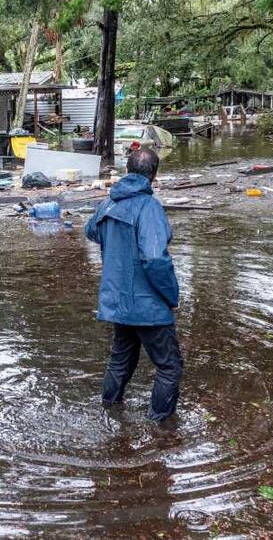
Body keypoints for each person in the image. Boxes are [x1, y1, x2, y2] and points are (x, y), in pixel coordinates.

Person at [84, 148, 183, 421]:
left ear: (127, 170)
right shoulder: (149, 207)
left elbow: (91, 231)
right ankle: (160, 427)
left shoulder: (109, 203)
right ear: (154, 174)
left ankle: (109, 412)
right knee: (169, 367)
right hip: (148, 305)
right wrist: (172, 295)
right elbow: (155, 259)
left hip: (118, 302)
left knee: (120, 361)